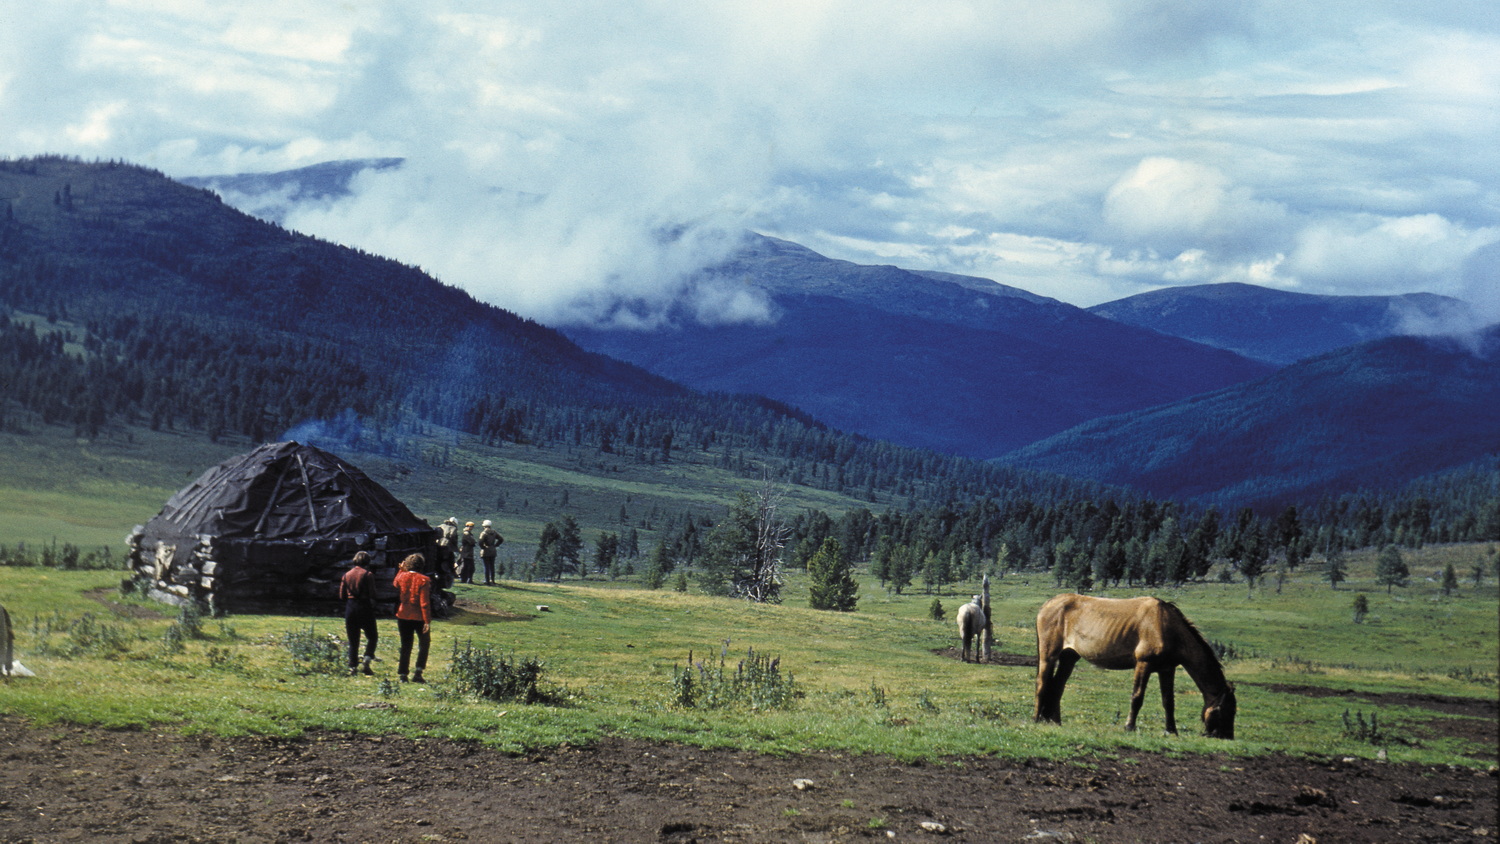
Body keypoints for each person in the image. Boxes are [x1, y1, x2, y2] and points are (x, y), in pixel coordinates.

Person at [393, 553, 432, 683]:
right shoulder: (424, 580)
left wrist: (401, 570)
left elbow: (395, 583)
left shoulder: (401, 577)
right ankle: (418, 672)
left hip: (403, 614)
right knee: (424, 643)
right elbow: (424, 603)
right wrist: (427, 621)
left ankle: (403, 674)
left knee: (406, 645)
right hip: (419, 617)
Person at [339, 551, 378, 676]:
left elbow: (341, 595)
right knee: (372, 636)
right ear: (367, 561)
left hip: (351, 607)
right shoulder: (368, 575)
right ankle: (367, 658)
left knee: (353, 640)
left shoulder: (346, 575)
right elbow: (373, 593)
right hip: (364, 606)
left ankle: (352, 667)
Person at [478, 519, 505, 585]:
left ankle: (487, 581)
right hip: (493, 550)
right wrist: (496, 545)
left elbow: (480, 542)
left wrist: (483, 547)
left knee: (486, 566)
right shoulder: (494, 532)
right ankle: (492, 580)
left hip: (486, 551)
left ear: (484, 526)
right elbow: (501, 539)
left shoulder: (484, 533)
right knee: (492, 566)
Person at [437, 517, 460, 582]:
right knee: (449, 560)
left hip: (438, 544)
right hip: (447, 546)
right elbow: (453, 537)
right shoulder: (453, 528)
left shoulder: (441, 526)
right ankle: (449, 573)